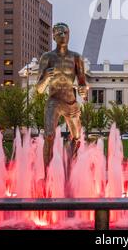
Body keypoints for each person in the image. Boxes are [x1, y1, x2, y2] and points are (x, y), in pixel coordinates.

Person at [36, 22, 88, 172]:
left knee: (77, 138)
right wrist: (45, 77)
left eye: (65, 33)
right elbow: (39, 90)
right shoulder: (47, 57)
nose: (63, 36)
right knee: (49, 136)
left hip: (71, 103)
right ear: (53, 36)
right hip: (54, 101)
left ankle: (69, 170)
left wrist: (83, 91)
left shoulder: (76, 58)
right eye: (59, 33)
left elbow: (82, 83)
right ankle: (48, 174)